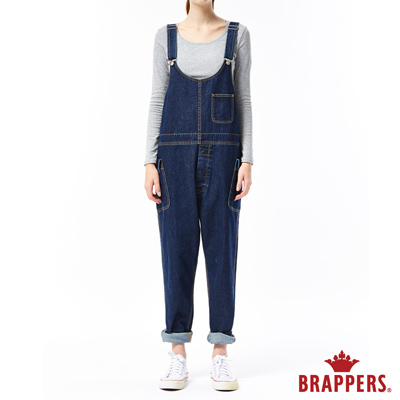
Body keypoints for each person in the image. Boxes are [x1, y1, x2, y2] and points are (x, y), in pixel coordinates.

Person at [144, 0, 253, 391]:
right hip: (171, 157)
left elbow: (244, 99)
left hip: (225, 156)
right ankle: (177, 352)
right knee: (176, 249)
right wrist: (149, 161)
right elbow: (158, 99)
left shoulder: (237, 36)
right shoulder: (166, 38)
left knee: (223, 250)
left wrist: (248, 158)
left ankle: (221, 351)